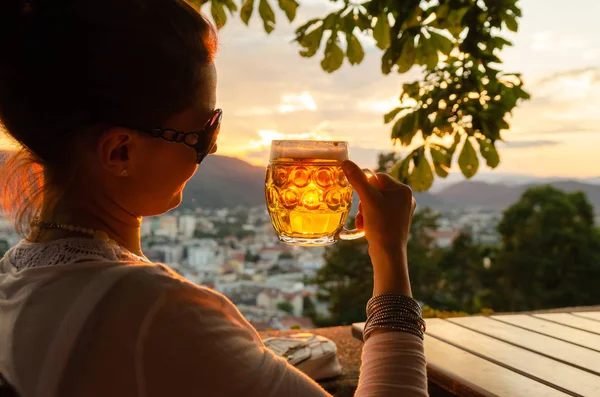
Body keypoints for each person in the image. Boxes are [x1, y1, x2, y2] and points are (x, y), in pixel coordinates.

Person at [0, 1, 428, 396]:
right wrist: (390, 253)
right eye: (204, 131)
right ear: (121, 152)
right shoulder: (156, 310)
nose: (216, 149)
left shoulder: (13, 278)